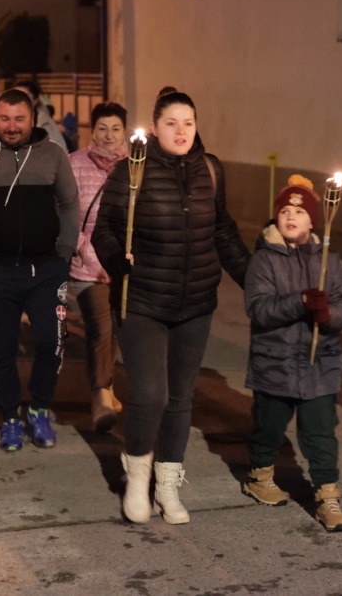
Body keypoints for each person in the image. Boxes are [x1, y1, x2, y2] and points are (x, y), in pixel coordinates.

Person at [92, 91, 250, 524]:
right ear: (156, 126)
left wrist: (256, 280)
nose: (181, 131)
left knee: (180, 398)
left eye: (189, 123)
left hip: (195, 304)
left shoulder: (210, 171)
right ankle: (137, 477)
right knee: (149, 394)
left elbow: (224, 232)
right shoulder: (132, 170)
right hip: (141, 300)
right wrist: (115, 259)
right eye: (171, 123)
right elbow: (104, 227)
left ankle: (167, 483)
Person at [0, 88, 79, 451]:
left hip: (46, 270)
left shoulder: (53, 154)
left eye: (19, 119)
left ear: (32, 120)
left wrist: (64, 251)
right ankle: (9, 417)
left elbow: (70, 204)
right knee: (0, 348)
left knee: (50, 343)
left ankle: (39, 409)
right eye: (4, 118)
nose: (11, 126)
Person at [242, 175, 342, 531]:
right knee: (269, 426)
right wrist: (300, 302)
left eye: (299, 211)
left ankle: (326, 495)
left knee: (321, 432)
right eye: (285, 211)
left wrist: (328, 314)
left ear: (312, 220)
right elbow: (259, 309)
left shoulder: (330, 260)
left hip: (319, 364)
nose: (291, 217)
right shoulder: (264, 260)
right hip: (274, 363)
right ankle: (260, 476)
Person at [68, 101, 128, 431]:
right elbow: (66, 216)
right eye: (102, 128)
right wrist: (94, 258)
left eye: (115, 128)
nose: (109, 135)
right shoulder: (74, 164)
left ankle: (108, 384)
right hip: (87, 266)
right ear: (93, 130)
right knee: (100, 330)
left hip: (124, 265)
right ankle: (100, 395)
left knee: (119, 327)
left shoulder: (136, 166)